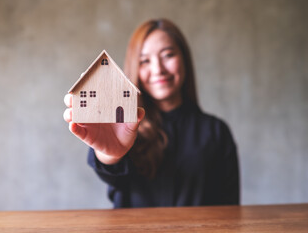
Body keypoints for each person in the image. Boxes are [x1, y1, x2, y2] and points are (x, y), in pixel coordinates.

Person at [64, 18, 240, 208]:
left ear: (184, 59)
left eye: (168, 55)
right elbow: (113, 174)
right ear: (135, 69)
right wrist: (110, 154)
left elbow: (229, 209)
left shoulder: (217, 132)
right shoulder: (123, 126)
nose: (158, 69)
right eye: (145, 61)